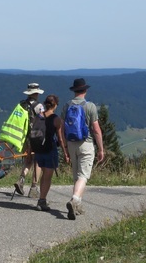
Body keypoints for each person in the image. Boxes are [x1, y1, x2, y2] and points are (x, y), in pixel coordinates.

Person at [62, 78, 105, 220]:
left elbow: (62, 129)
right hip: (86, 144)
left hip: (71, 143)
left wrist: (65, 148)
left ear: (74, 91)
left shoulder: (67, 106)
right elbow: (96, 130)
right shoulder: (90, 106)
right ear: (85, 90)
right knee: (83, 176)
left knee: (77, 176)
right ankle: (74, 200)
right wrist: (101, 149)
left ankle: (78, 206)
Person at [2, 83, 44, 198]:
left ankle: (21, 180)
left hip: (24, 137)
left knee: (28, 160)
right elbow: (43, 120)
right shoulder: (38, 106)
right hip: (35, 136)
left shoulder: (21, 104)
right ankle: (34, 188)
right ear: (36, 93)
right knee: (38, 162)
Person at [33, 94, 69, 211]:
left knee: (44, 174)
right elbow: (60, 138)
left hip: (38, 150)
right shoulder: (56, 119)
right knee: (48, 177)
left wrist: (30, 150)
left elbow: (32, 134)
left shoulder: (38, 116)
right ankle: (41, 201)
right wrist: (65, 152)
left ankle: (42, 198)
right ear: (55, 105)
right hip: (50, 150)